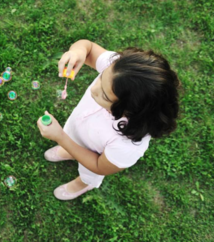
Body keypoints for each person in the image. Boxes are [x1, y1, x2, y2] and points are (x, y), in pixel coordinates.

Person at [37, 39, 180, 200]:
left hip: (93, 160)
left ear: (128, 111)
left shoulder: (128, 145)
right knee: (72, 137)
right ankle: (70, 150)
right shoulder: (118, 71)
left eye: (104, 95)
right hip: (79, 130)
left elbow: (99, 166)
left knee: (87, 174)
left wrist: (60, 137)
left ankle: (82, 184)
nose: (93, 88)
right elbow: (88, 48)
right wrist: (77, 53)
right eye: (101, 77)